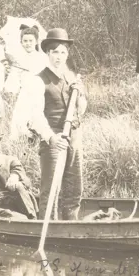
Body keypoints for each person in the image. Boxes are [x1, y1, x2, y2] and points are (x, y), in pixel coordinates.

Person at [21, 28, 87, 220]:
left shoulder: (72, 78)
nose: (59, 56)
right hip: (53, 139)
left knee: (74, 186)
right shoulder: (38, 80)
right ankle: (49, 232)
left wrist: (80, 94)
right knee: (51, 190)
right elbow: (35, 115)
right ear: (48, 53)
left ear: (67, 54)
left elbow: (81, 110)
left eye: (63, 52)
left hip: (74, 137)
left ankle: (70, 228)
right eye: (55, 52)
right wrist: (51, 137)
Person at [5, 25, 49, 140]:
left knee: (37, 116)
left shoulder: (42, 57)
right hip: (24, 92)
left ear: (36, 41)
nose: (28, 43)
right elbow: (15, 77)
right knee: (20, 118)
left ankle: (38, 138)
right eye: (25, 41)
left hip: (38, 91)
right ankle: (25, 139)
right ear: (21, 42)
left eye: (30, 41)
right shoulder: (19, 59)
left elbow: (46, 74)